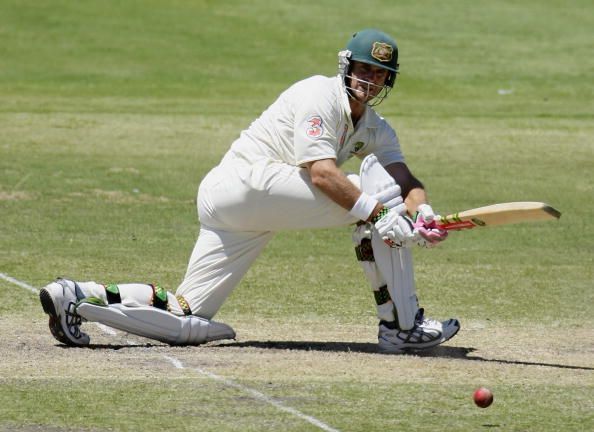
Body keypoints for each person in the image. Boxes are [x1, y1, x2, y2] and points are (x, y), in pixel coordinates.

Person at [39, 29, 460, 353]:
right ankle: (402, 326)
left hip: (241, 208)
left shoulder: (374, 126)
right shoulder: (320, 94)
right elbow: (322, 175)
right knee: (374, 199)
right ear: (347, 67)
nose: (370, 80)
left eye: (379, 73)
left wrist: (422, 213)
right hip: (247, 184)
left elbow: (406, 180)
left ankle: (75, 295)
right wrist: (385, 216)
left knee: (188, 314)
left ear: (388, 79)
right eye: (364, 70)